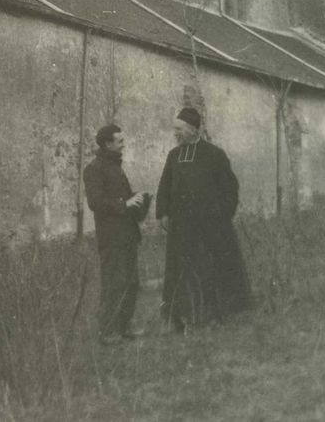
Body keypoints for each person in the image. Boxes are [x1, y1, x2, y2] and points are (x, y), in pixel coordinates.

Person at [156, 107, 251, 331]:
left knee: (210, 271)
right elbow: (164, 187)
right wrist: (163, 213)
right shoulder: (174, 156)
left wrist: (220, 216)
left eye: (179, 129)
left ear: (191, 130)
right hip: (181, 229)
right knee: (180, 273)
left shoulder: (215, 155)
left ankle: (213, 316)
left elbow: (230, 190)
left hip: (210, 229)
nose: (175, 134)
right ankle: (179, 318)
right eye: (174, 130)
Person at [83, 123, 150, 344]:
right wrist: (125, 202)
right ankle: (107, 331)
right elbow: (96, 202)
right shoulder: (94, 169)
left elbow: (124, 197)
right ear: (107, 144)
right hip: (111, 238)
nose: (124, 144)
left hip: (128, 235)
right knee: (113, 283)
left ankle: (124, 326)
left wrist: (140, 198)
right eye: (119, 141)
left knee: (131, 282)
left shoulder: (115, 166)